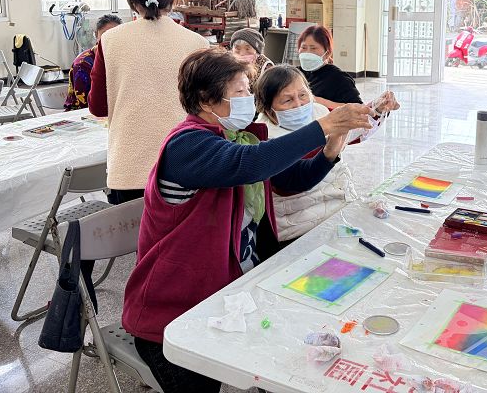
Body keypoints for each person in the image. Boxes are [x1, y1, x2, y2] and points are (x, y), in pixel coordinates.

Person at [122, 48, 371, 393]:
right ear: (206, 100)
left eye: (247, 91)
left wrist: (332, 146)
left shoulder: (233, 138)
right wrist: (325, 124)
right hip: (175, 312)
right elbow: (251, 164)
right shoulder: (187, 145)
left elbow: (289, 179)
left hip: (228, 296)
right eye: (239, 92)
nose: (247, 101)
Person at [89, 0, 209, 204]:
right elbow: (207, 109)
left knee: (132, 230)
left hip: (128, 168)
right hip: (185, 164)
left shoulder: (110, 40)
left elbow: (98, 107)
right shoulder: (198, 43)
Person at [254, 64, 398, 244]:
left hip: (339, 209)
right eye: (287, 100)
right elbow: (298, 179)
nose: (299, 104)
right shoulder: (264, 138)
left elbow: (350, 130)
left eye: (303, 95)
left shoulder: (318, 112)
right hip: (299, 227)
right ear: (268, 109)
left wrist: (377, 108)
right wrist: (330, 151)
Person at [64, 14, 122, 111]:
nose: (111, 40)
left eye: (116, 35)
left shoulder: (122, 58)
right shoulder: (82, 64)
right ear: (96, 35)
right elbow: (85, 104)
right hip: (82, 112)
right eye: (106, 35)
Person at [297, 25, 362, 108]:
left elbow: (358, 108)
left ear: (327, 53)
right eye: (303, 47)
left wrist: (319, 101)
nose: (307, 53)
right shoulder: (295, 74)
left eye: (313, 48)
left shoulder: (339, 78)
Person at [229, 27, 274, 92]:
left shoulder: (266, 67)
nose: (242, 53)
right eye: (237, 49)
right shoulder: (228, 62)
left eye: (247, 49)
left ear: (256, 50)